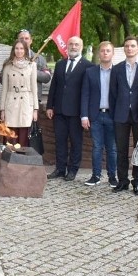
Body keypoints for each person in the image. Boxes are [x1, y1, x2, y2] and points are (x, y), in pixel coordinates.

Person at [46, 36, 93, 181]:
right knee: (59, 141)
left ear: (81, 46)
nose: (73, 47)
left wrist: (86, 113)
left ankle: (72, 170)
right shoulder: (60, 64)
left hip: (76, 111)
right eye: (71, 44)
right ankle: (60, 169)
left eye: (76, 44)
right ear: (67, 46)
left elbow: (88, 91)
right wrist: (49, 106)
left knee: (75, 142)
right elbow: (54, 86)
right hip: (59, 110)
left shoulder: (88, 66)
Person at [110, 36, 138, 195]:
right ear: (124, 49)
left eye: (132, 46)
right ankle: (122, 181)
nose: (129, 48)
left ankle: (137, 182)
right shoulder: (116, 69)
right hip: (121, 115)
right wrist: (114, 112)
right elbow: (113, 93)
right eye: (126, 46)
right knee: (121, 150)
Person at [80, 41, 118, 187]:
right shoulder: (90, 72)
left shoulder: (118, 71)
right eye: (102, 51)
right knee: (97, 147)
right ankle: (95, 176)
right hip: (95, 115)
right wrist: (84, 115)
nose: (105, 53)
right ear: (99, 53)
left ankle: (112, 177)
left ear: (112, 53)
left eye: (108, 50)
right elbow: (85, 95)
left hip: (112, 116)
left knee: (112, 148)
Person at [0, 39, 38, 147]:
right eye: (17, 48)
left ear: (25, 50)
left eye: (21, 48)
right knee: (10, 134)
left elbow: (34, 88)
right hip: (11, 102)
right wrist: (2, 109)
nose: (19, 51)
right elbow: (5, 89)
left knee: (24, 133)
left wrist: (35, 109)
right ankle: (10, 160)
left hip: (26, 102)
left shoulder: (32, 65)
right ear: (13, 50)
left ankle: (22, 160)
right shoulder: (7, 65)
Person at [17, 29, 52, 99]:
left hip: (33, 99)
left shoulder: (40, 59)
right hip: (16, 98)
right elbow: (2, 77)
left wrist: (33, 71)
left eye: (26, 38)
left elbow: (47, 77)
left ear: (31, 41)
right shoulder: (11, 58)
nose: (24, 40)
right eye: (21, 38)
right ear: (17, 40)